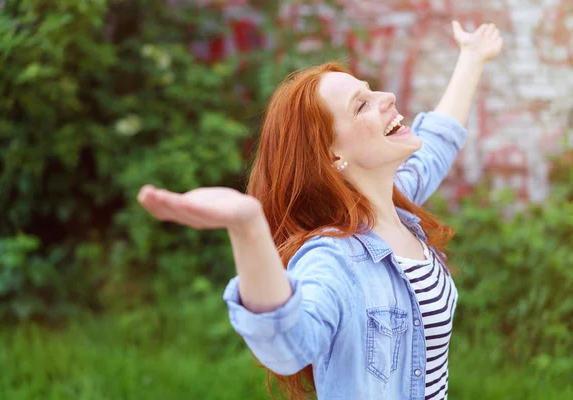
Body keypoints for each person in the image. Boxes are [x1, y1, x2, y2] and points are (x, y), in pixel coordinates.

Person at [137, 21, 503, 400]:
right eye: (361, 105)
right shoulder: (334, 257)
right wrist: (248, 227)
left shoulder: (394, 199)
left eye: (369, 90)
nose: (388, 96)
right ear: (332, 155)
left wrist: (472, 56)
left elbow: (440, 139)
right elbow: (286, 346)